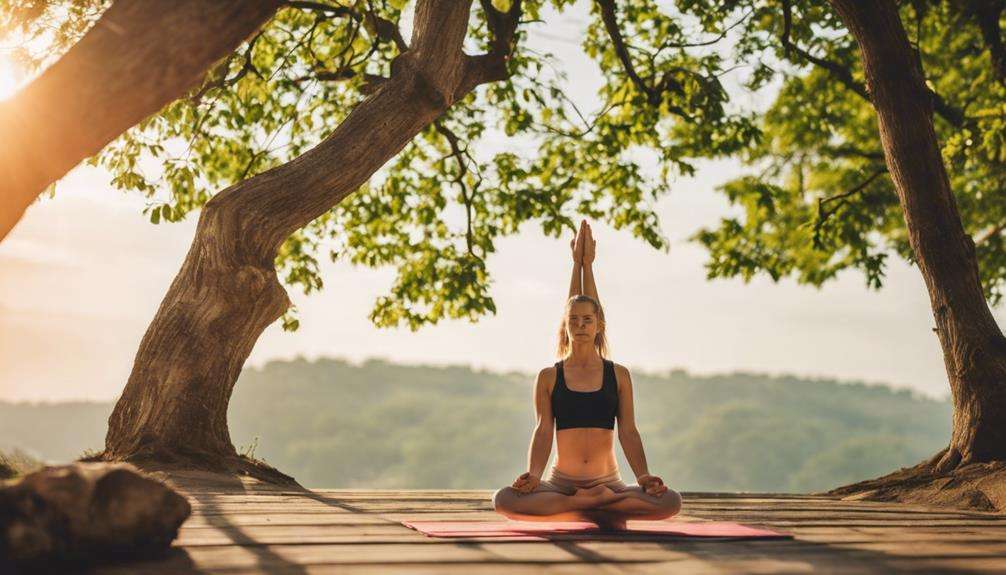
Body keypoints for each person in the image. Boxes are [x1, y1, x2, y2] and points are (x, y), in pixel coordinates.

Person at [492, 220, 682, 530]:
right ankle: (590, 506)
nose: (581, 325)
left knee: (671, 501)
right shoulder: (549, 377)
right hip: (561, 484)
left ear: (598, 326)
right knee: (503, 499)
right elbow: (543, 430)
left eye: (588, 321)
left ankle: (580, 507)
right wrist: (534, 476)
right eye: (574, 321)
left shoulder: (618, 375)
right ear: (566, 326)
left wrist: (643, 476)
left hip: (609, 482)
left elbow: (629, 431)